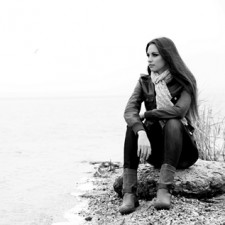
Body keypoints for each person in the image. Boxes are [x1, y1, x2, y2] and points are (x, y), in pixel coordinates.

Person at [119, 37, 199, 215]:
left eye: (155, 55)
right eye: (148, 55)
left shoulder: (185, 81)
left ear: (167, 56)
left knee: (173, 121)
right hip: (157, 155)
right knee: (132, 126)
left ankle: (164, 190)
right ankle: (129, 194)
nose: (149, 59)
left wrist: (148, 114)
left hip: (183, 153)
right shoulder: (144, 82)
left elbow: (178, 111)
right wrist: (141, 132)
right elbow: (130, 112)